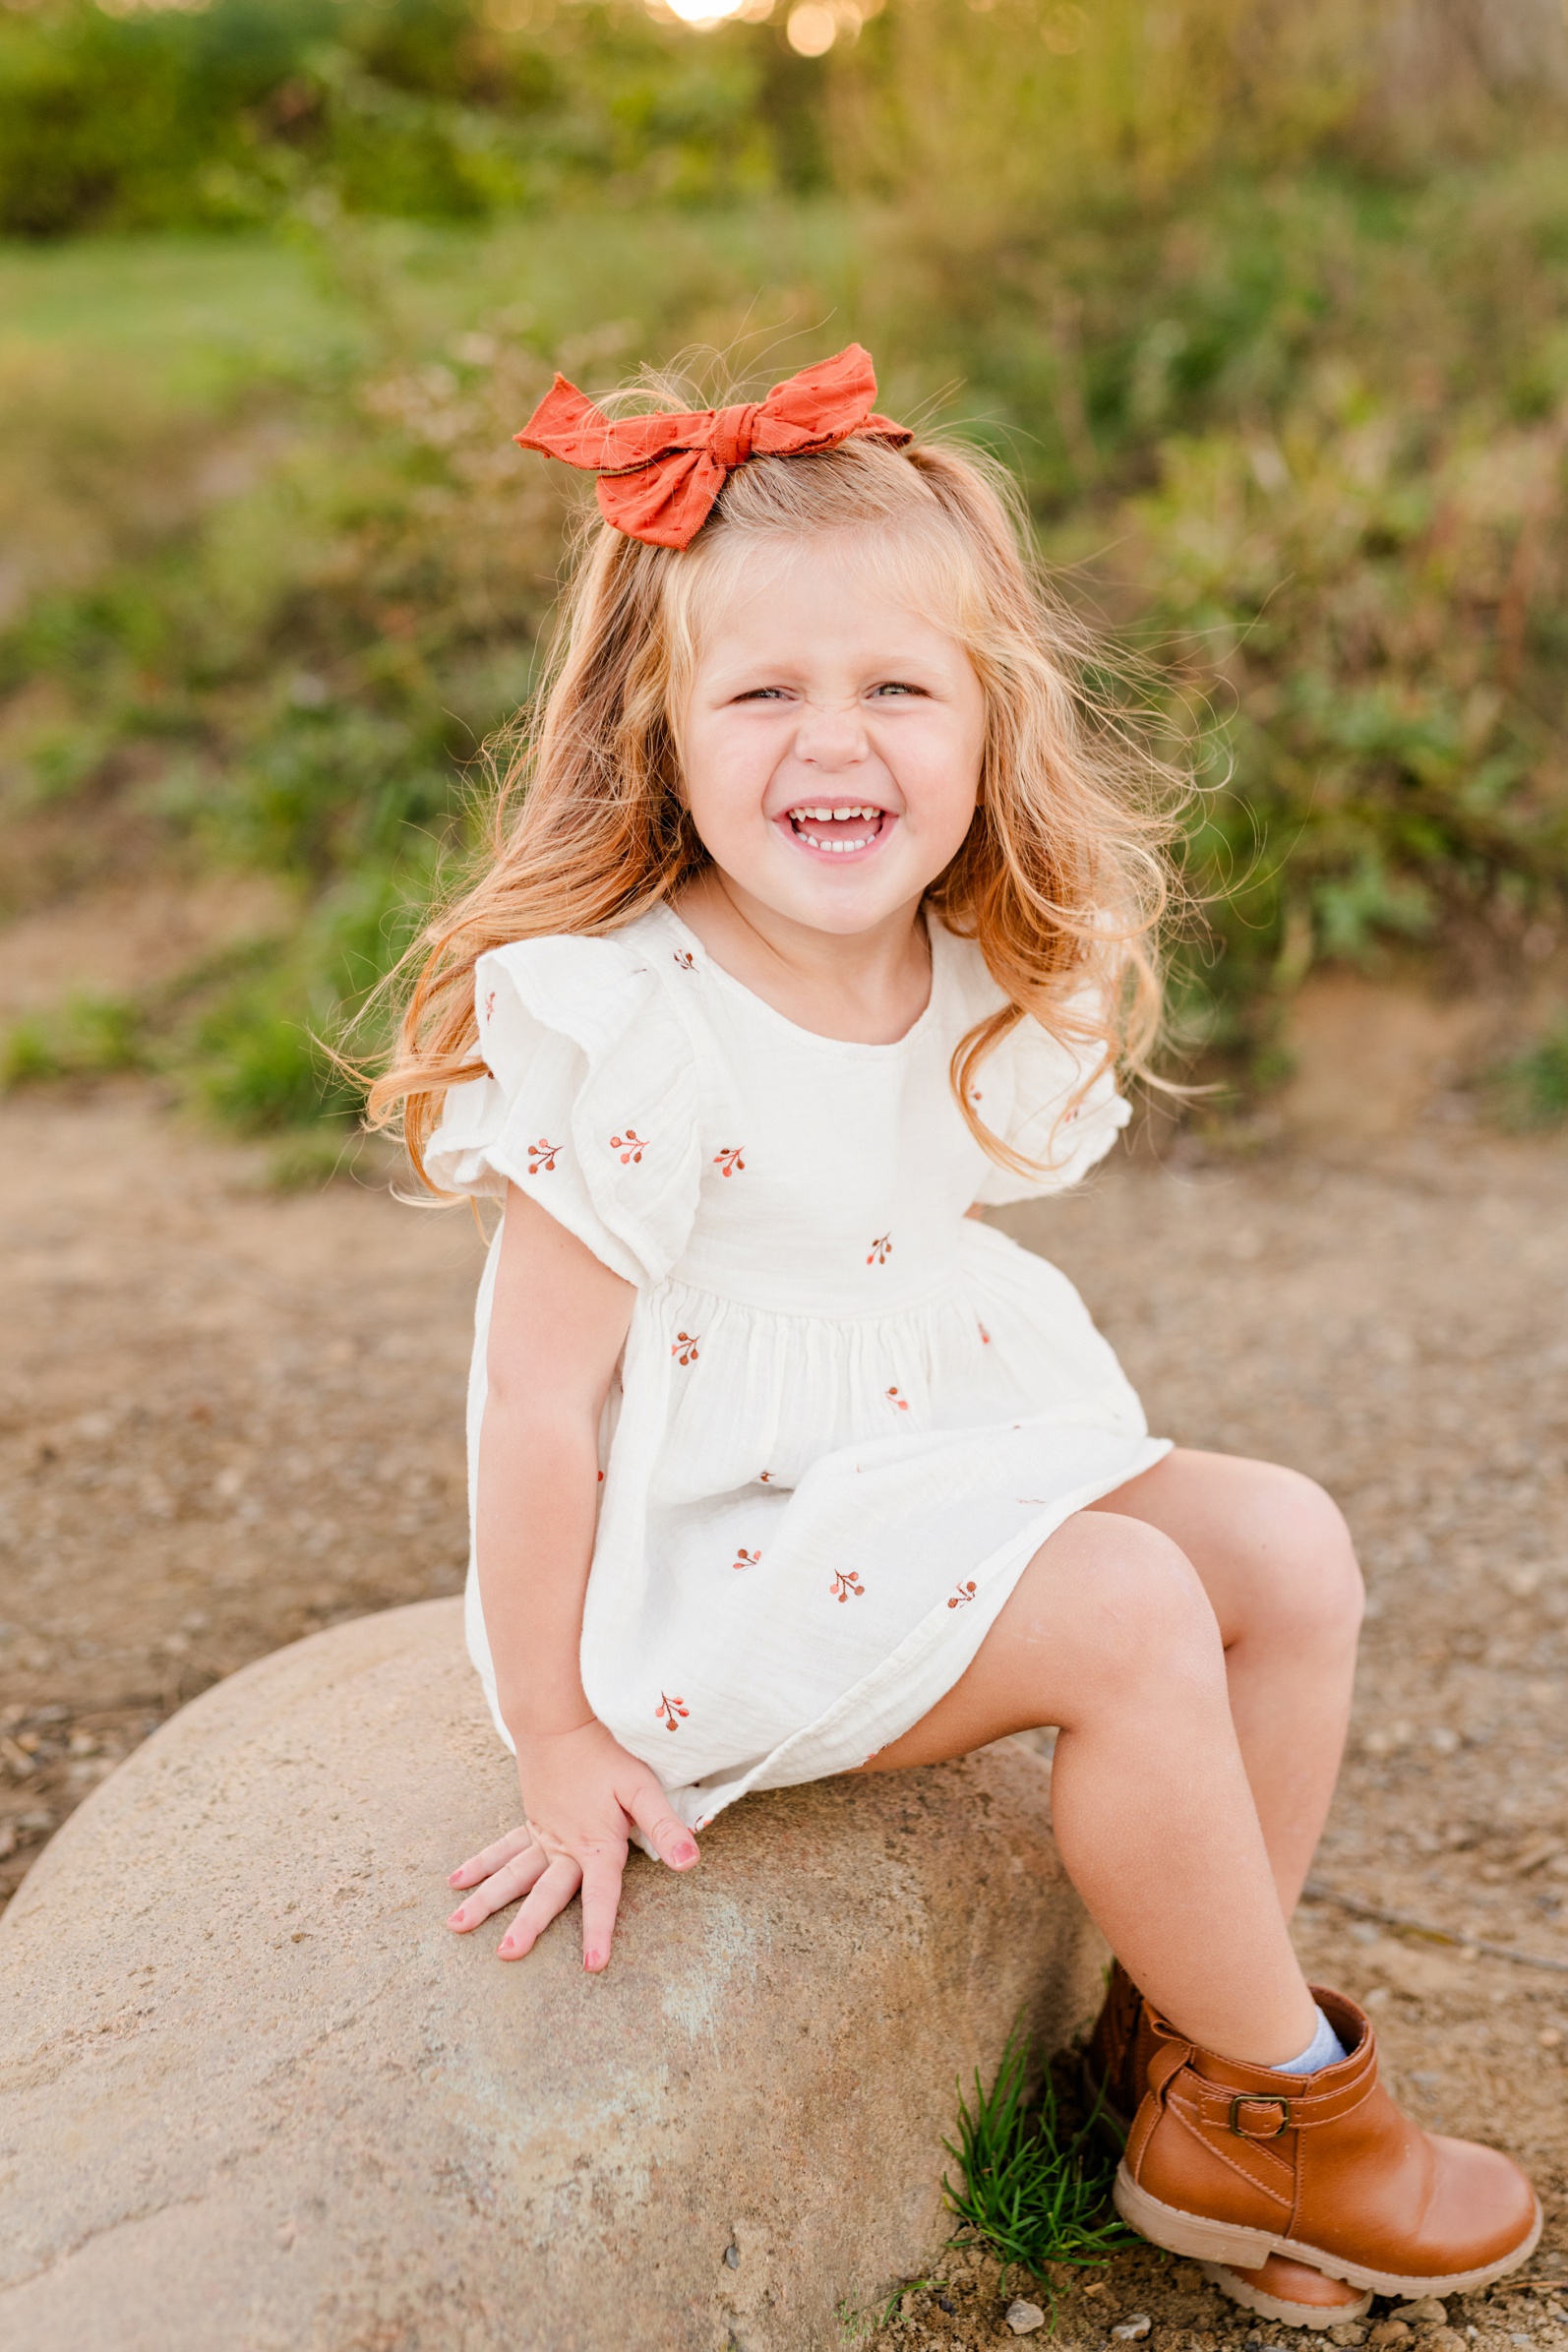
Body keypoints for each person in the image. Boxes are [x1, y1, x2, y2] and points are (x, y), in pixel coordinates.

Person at [368, 347, 1538, 2329]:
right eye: (761, 693)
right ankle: (1292, 2109)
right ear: (656, 732)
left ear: (990, 719)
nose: (833, 743)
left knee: (1284, 1547)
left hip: (906, 1448)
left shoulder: (967, 959)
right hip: (713, 1549)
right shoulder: (633, 1019)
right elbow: (537, 1393)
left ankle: (1193, 2068)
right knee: (1132, 1608)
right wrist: (557, 1734)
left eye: (896, 689)